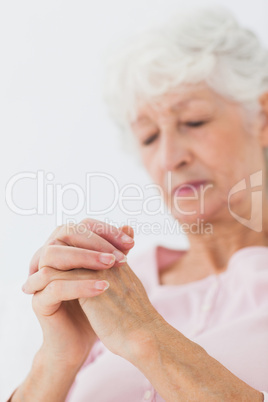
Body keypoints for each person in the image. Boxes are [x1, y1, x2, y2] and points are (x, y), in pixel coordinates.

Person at [9, 6, 268, 401]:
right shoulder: (110, 289)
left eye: (194, 122)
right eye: (148, 137)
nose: (169, 157)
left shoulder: (131, 308)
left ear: (262, 117)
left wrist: (146, 336)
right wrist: (56, 361)